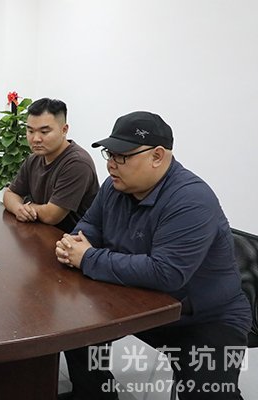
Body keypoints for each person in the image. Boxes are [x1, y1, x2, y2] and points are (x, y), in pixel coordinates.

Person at [55, 111, 251, 400]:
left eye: (122, 156)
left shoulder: (191, 200)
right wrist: (73, 244)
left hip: (203, 317)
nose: (111, 164)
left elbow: (166, 273)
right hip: (139, 300)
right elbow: (91, 226)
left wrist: (87, 257)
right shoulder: (114, 186)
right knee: (75, 329)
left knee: (207, 393)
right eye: (110, 154)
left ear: (157, 156)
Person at [3, 98, 99, 233]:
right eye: (30, 131)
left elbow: (51, 216)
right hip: (38, 233)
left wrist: (26, 206)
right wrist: (19, 209)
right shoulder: (34, 158)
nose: (36, 139)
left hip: (69, 239)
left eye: (44, 132)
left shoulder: (77, 163)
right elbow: (10, 194)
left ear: (64, 130)